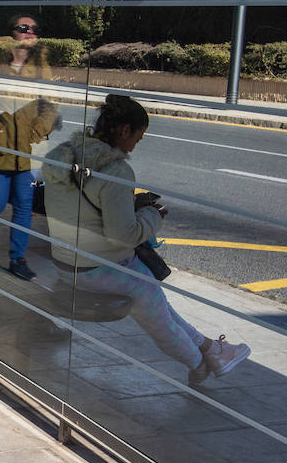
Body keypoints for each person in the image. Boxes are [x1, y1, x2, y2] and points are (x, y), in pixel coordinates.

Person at [41, 94, 249, 385]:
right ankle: (199, 363)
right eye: (138, 137)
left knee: (156, 300)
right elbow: (122, 235)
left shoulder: (63, 154)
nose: (136, 145)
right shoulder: (115, 172)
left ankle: (211, 349)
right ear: (124, 130)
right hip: (98, 267)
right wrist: (153, 215)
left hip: (66, 260)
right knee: (153, 308)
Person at [0, 14, 60, 281]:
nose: (30, 33)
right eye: (24, 28)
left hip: (24, 150)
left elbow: (49, 104)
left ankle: (17, 259)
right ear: (11, 34)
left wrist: (38, 130)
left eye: (34, 30)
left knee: (23, 204)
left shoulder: (40, 67)